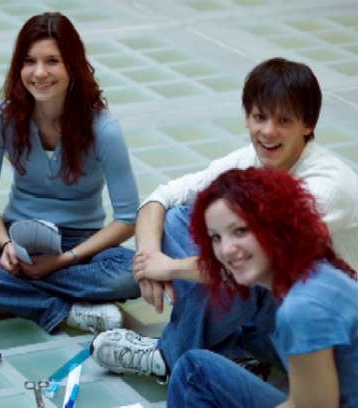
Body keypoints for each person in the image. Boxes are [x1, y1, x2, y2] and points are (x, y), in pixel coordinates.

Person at [90, 58, 358, 383]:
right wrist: (149, 259)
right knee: (179, 219)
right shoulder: (249, 160)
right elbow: (161, 197)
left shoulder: (327, 185)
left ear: (307, 124)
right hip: (262, 325)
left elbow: (263, 260)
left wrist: (170, 268)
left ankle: (167, 355)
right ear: (247, 117)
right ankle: (227, 353)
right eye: (260, 117)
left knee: (250, 262)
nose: (268, 131)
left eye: (284, 120)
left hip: (319, 340)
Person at [0, 12, 141, 334]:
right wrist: (6, 245)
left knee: (132, 273)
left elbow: (127, 219)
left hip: (79, 243)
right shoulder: (0, 119)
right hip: (14, 235)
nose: (39, 73)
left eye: (52, 61)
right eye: (29, 61)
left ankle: (0, 293)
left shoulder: (104, 129)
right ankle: (60, 308)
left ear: (73, 66)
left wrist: (64, 259)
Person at [166, 167, 358, 407]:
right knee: (194, 368)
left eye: (240, 231)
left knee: (193, 373)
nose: (226, 249)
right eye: (216, 237)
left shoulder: (302, 308)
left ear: (275, 224)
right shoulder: (316, 271)